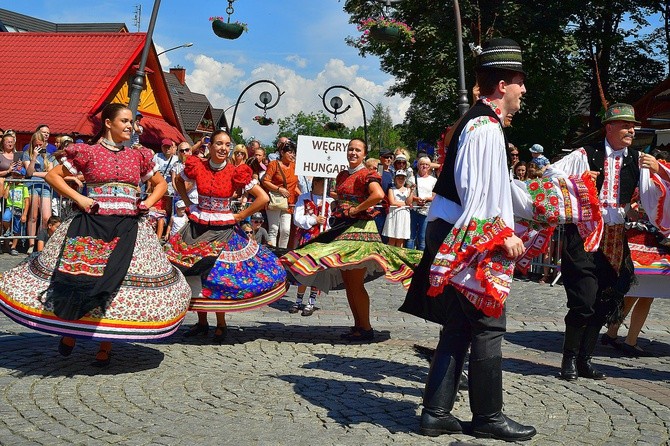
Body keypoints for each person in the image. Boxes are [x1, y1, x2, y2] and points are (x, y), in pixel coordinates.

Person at [399, 38, 537, 441]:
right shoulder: (484, 127)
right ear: (501, 85)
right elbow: (476, 195)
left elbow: (491, 190)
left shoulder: (481, 123)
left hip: (456, 231)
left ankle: (436, 413)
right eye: (519, 81)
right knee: (489, 324)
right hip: (469, 235)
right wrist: (501, 235)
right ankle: (488, 417)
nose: (523, 90)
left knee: (459, 327)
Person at [0, 103, 192, 366]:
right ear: (108, 123)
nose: (129, 126)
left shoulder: (138, 156)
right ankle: (71, 331)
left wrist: (146, 203)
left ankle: (105, 343)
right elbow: (54, 177)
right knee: (79, 276)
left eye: (131, 122)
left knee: (117, 282)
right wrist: (81, 198)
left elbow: (159, 184)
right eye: (124, 121)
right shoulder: (87, 152)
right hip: (92, 223)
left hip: (128, 225)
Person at [546, 103, 670, 381]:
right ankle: (568, 360)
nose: (631, 130)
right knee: (584, 301)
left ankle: (585, 360)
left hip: (615, 237)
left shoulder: (639, 160)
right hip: (584, 235)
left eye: (633, 125)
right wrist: (577, 182)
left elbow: (657, 197)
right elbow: (549, 174)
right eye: (626, 125)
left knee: (606, 300)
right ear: (609, 128)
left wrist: (660, 171)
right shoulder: (584, 154)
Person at [282, 138, 422, 341]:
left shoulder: (367, 174)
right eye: (350, 149)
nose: (353, 153)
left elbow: (378, 194)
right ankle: (358, 326)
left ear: (364, 154)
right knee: (349, 282)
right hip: (345, 229)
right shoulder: (342, 175)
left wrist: (357, 208)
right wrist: (339, 200)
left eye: (357, 150)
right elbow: (345, 196)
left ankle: (365, 327)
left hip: (360, 232)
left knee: (355, 282)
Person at [164, 129, 287, 344]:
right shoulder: (198, 166)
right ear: (210, 146)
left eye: (227, 144)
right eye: (219, 144)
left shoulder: (235, 172)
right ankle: (202, 322)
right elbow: (178, 181)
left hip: (223, 228)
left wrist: (240, 215)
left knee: (217, 274)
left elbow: (263, 197)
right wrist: (188, 202)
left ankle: (221, 323)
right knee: (192, 270)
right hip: (197, 225)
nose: (223, 148)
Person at [602, 151, 670, 357]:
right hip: (645, 243)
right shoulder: (653, 184)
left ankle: (613, 332)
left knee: (634, 291)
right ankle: (629, 339)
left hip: (640, 240)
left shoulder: (641, 182)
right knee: (643, 293)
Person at [288, 177, 334, 316]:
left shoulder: (329, 201)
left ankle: (311, 302)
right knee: (303, 269)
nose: (325, 184)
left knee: (317, 271)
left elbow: (332, 221)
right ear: (315, 182)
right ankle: (298, 300)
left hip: (322, 240)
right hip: (307, 238)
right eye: (322, 181)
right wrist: (314, 220)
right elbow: (297, 219)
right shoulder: (304, 198)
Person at [262, 141, 299, 249]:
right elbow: (266, 181)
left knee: (286, 230)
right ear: (282, 152)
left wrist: (302, 196)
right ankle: (273, 255)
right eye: (290, 152)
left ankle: (282, 253)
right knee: (273, 229)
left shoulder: (294, 166)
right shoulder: (273, 164)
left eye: (294, 153)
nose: (292, 155)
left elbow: (294, 185)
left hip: (289, 202)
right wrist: (279, 189)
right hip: (275, 200)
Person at [23, 131, 55, 253]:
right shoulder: (27, 154)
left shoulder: (49, 156)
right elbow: (28, 171)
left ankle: (42, 241)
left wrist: (35, 174)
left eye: (40, 145)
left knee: (46, 217)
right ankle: (31, 244)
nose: (38, 147)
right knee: (33, 216)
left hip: (45, 186)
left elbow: (50, 173)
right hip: (32, 186)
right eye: (36, 145)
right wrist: (34, 157)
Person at [407, 156, 437, 250]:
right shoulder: (412, 179)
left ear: (430, 167)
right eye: (422, 164)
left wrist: (427, 199)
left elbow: (435, 196)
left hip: (426, 211)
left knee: (422, 237)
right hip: (413, 210)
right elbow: (407, 195)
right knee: (410, 237)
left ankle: (420, 259)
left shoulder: (433, 180)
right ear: (418, 165)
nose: (424, 166)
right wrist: (416, 199)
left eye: (427, 165)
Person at [2, 165, 29, 255]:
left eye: (17, 175)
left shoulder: (24, 187)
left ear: (22, 177)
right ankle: (8, 230)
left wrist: (25, 214)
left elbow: (27, 201)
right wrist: (9, 185)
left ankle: (13, 246)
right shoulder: (9, 184)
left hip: (19, 208)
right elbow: (5, 196)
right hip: (10, 207)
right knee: (5, 219)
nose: (15, 177)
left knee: (17, 229)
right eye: (14, 174)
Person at [382, 170, 411, 247]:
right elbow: (392, 202)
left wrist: (411, 191)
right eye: (399, 178)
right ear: (395, 179)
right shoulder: (391, 189)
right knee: (392, 239)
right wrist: (405, 204)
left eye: (403, 178)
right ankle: (389, 256)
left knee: (401, 239)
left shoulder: (408, 190)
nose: (401, 180)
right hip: (394, 214)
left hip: (404, 215)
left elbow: (410, 201)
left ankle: (398, 257)